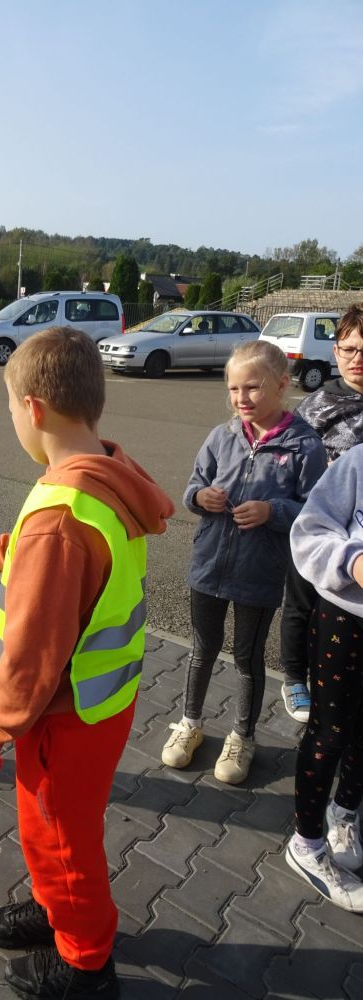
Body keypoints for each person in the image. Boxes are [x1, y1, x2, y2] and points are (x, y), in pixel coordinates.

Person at [0, 327, 174, 1000]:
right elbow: (41, 565)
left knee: (61, 839)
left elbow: (32, 653)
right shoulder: (99, 478)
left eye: (9, 406)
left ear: (32, 408)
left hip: (62, 716)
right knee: (56, 831)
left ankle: (86, 963)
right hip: (99, 707)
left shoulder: (62, 514)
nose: (11, 418)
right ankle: (52, 906)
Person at [161, 340, 327, 784]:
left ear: (282, 385)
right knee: (202, 648)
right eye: (234, 389)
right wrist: (201, 497)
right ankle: (190, 723)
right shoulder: (222, 435)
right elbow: (192, 488)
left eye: (252, 387)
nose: (241, 398)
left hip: (259, 573)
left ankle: (242, 736)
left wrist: (273, 511)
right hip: (208, 565)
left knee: (246, 657)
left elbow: (315, 513)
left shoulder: (305, 445)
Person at [285, 444, 363, 911]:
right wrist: (353, 561)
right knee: (329, 734)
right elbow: (309, 531)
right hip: (345, 618)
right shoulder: (357, 462)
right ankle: (307, 845)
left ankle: (345, 812)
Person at [280, 303, 363, 723]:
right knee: (301, 601)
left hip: (358, 533)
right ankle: (295, 676)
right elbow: (286, 459)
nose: (357, 358)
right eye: (349, 349)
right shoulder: (318, 404)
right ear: (335, 352)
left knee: (343, 611)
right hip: (316, 525)